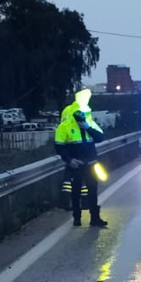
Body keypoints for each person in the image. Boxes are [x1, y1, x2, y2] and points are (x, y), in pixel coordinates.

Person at [53, 88, 108, 227]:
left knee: (93, 191)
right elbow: (59, 146)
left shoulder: (89, 123)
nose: (82, 116)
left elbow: (100, 137)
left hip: (91, 164)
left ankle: (95, 218)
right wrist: (69, 160)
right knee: (75, 192)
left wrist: (87, 127)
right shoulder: (64, 127)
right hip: (75, 165)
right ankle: (77, 218)